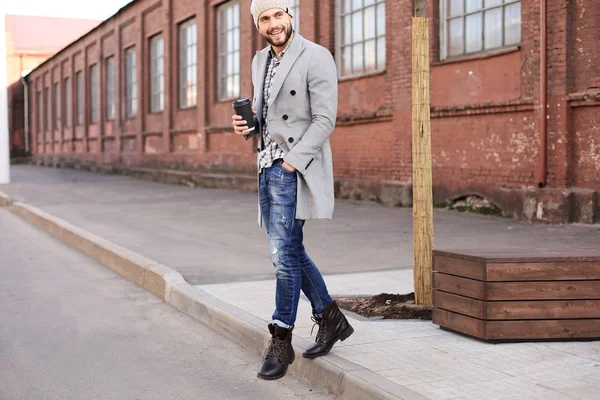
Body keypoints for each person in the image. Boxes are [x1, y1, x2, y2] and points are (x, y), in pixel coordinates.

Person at [231, 0, 354, 381]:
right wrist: (249, 127)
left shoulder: (316, 56)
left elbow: (324, 119)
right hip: (267, 166)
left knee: (283, 256)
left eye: (277, 15)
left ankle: (281, 338)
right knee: (290, 250)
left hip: (294, 169)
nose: (273, 23)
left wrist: (292, 162)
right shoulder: (259, 61)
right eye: (264, 18)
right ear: (259, 24)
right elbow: (268, 118)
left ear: (290, 15)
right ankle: (331, 319)